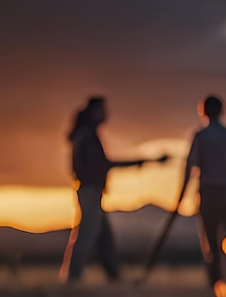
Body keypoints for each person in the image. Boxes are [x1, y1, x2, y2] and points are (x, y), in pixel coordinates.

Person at [60, 96, 167, 284]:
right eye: (102, 110)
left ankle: (113, 277)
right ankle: (73, 278)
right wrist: (142, 162)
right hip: (90, 192)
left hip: (92, 192)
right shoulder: (86, 137)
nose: (106, 114)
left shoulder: (86, 135)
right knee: (87, 235)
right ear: (94, 112)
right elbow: (102, 164)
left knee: (104, 238)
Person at [178, 94, 226, 287]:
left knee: (211, 240)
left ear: (203, 111)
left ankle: (216, 281)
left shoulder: (201, 136)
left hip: (210, 192)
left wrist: (181, 195)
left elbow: (190, 167)